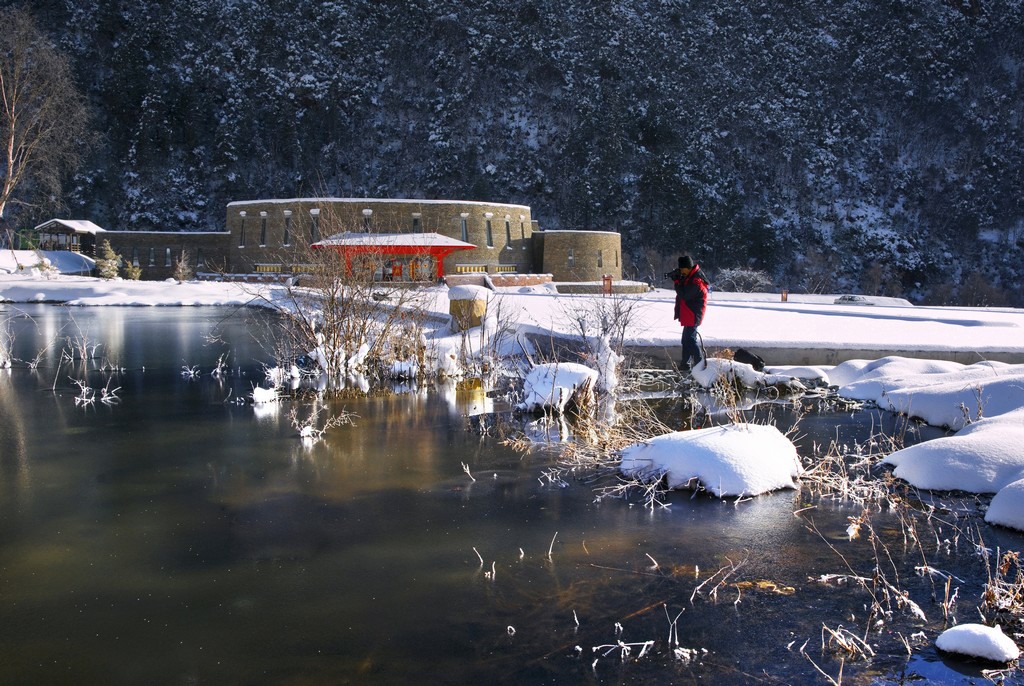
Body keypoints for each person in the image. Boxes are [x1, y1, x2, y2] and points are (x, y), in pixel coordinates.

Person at [671, 255, 709, 372]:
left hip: (693, 314)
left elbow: (685, 295)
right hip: (689, 313)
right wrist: (680, 279)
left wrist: (677, 281)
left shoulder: (696, 281)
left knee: (690, 340)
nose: (681, 271)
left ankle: (701, 366)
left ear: (687, 268)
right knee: (685, 340)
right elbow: (685, 290)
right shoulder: (691, 277)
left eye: (682, 269)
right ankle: (685, 364)